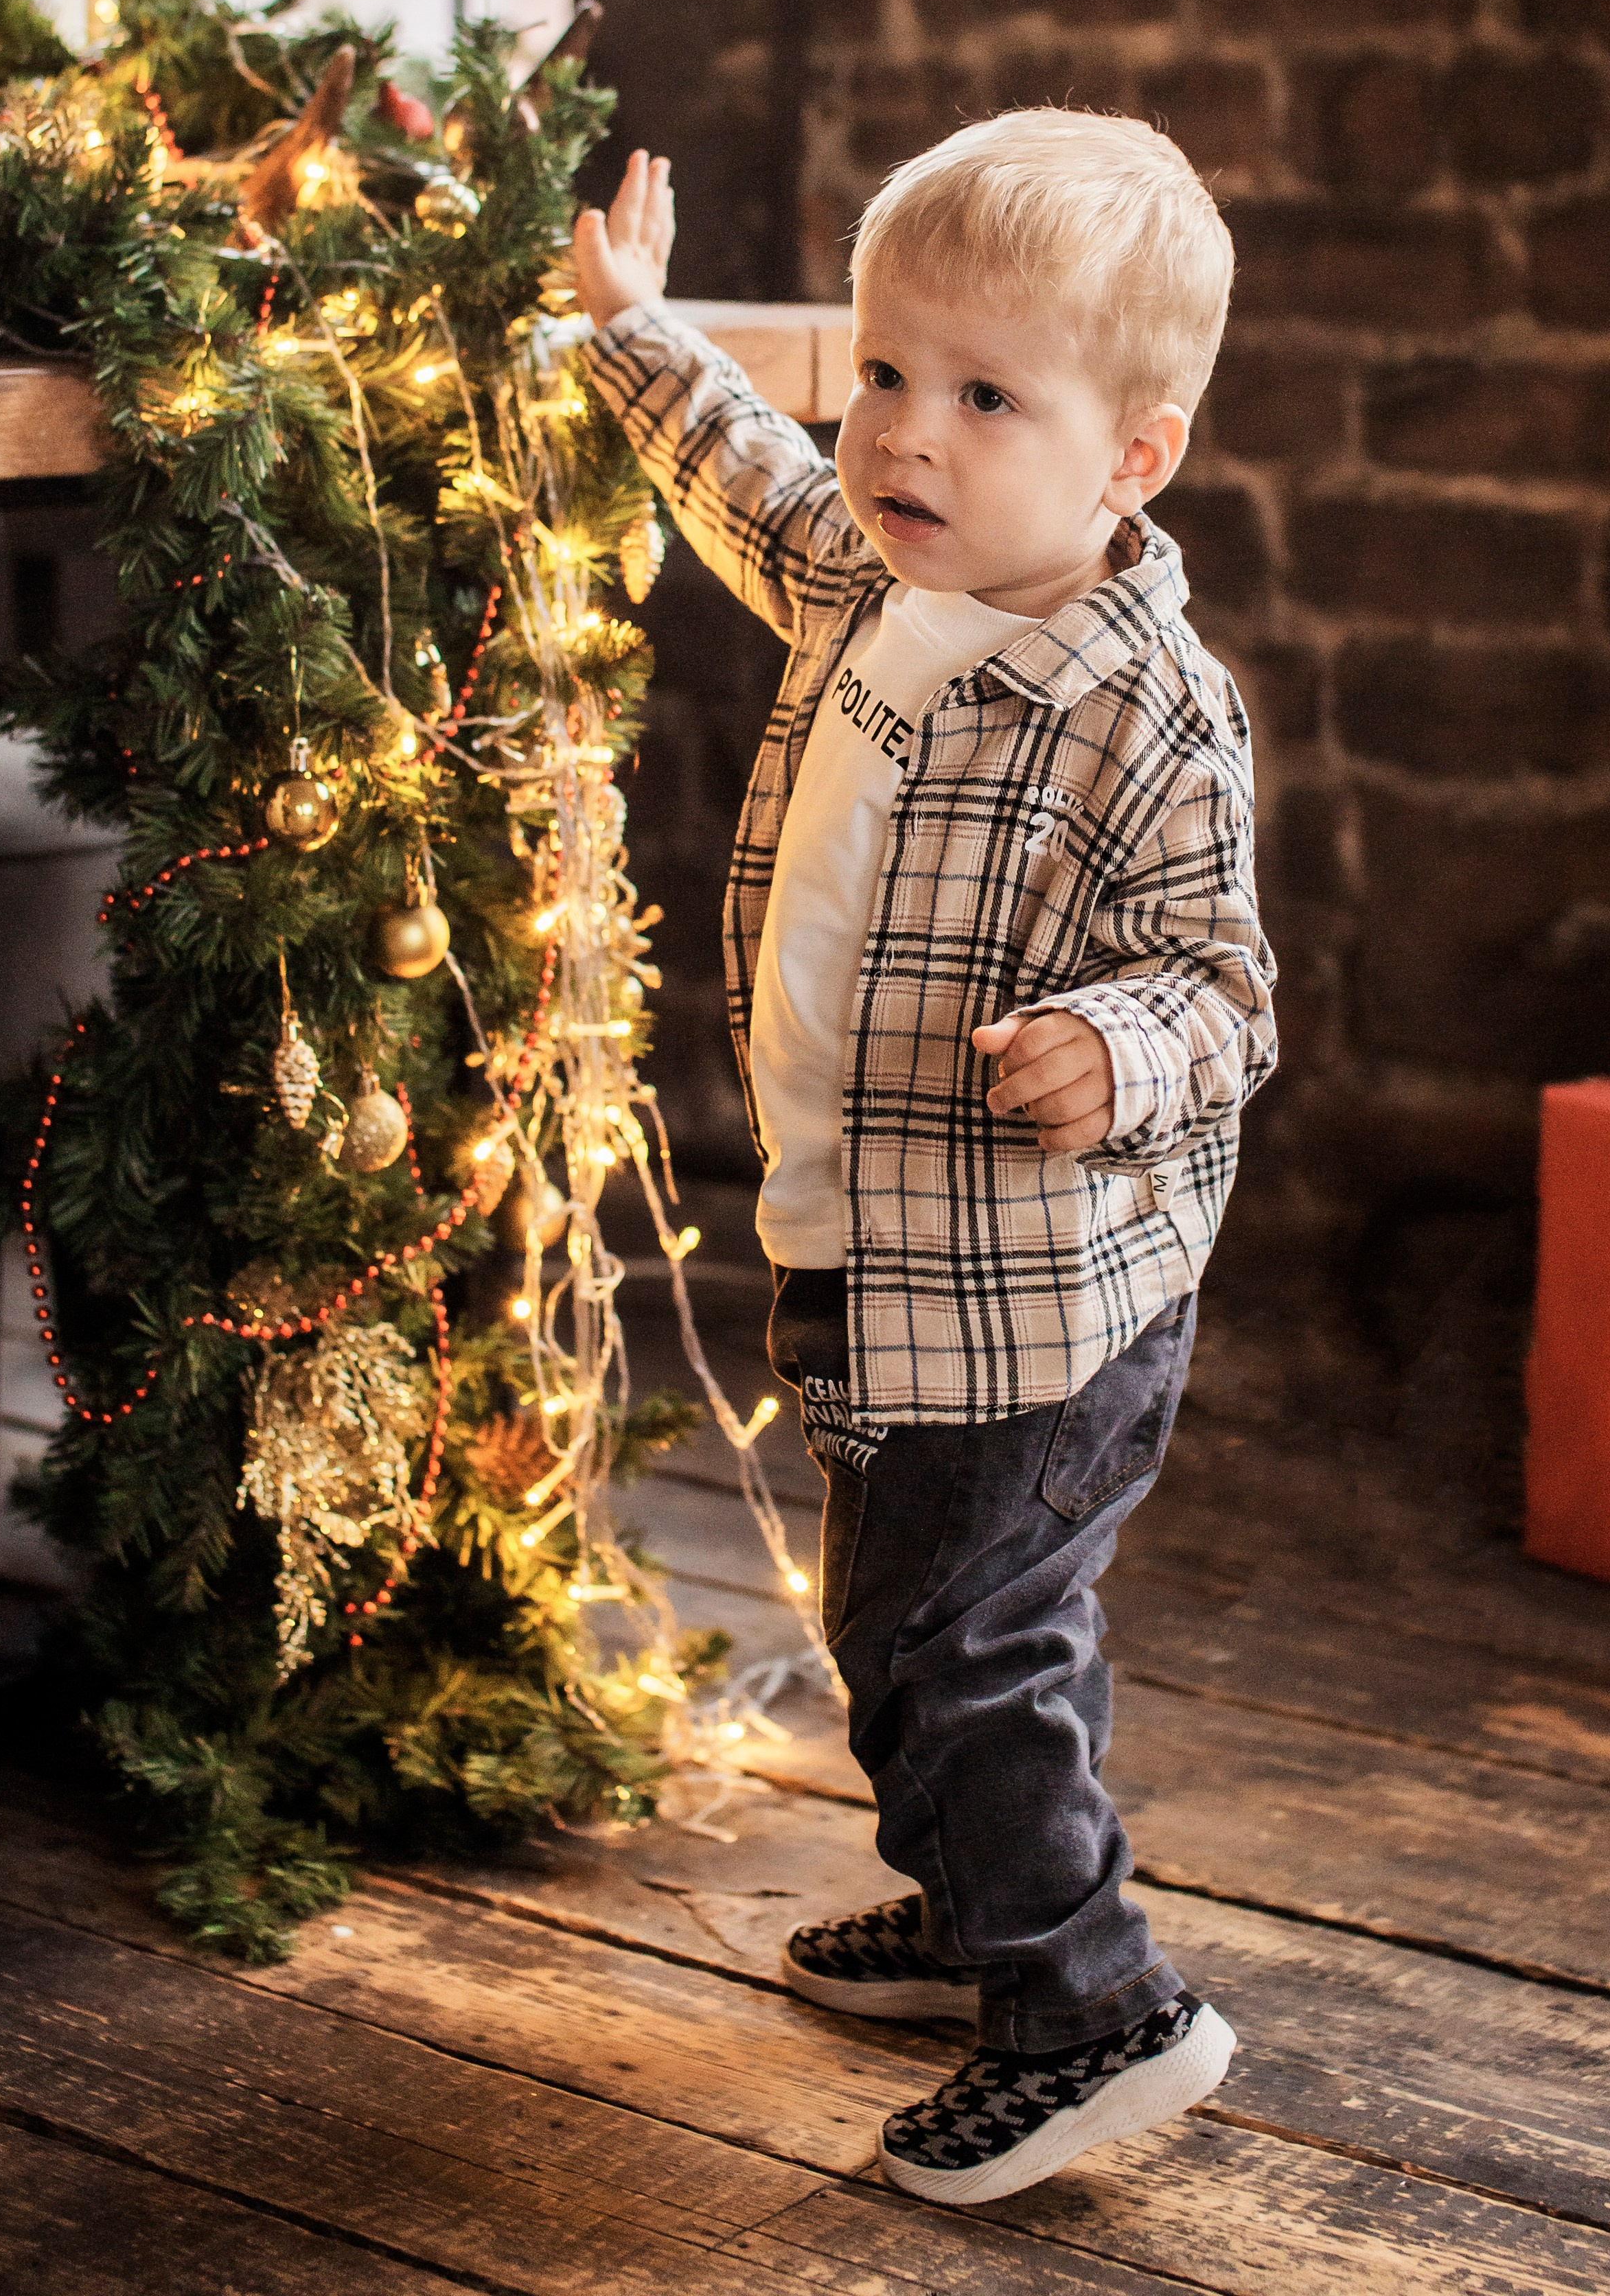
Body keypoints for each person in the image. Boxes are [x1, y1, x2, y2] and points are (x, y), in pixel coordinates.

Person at [574, 109, 1277, 2207]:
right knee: (907, 1625)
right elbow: (753, 476)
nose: (905, 435)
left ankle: (1089, 2003)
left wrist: (1110, 1042)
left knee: (963, 1647)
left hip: (1035, 1297)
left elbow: (1225, 987)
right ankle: (980, 1901)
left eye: (985, 397)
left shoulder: (1148, 705)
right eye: (887, 373)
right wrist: (633, 331)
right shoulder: (878, 576)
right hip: (866, 1251)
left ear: (1131, 457)